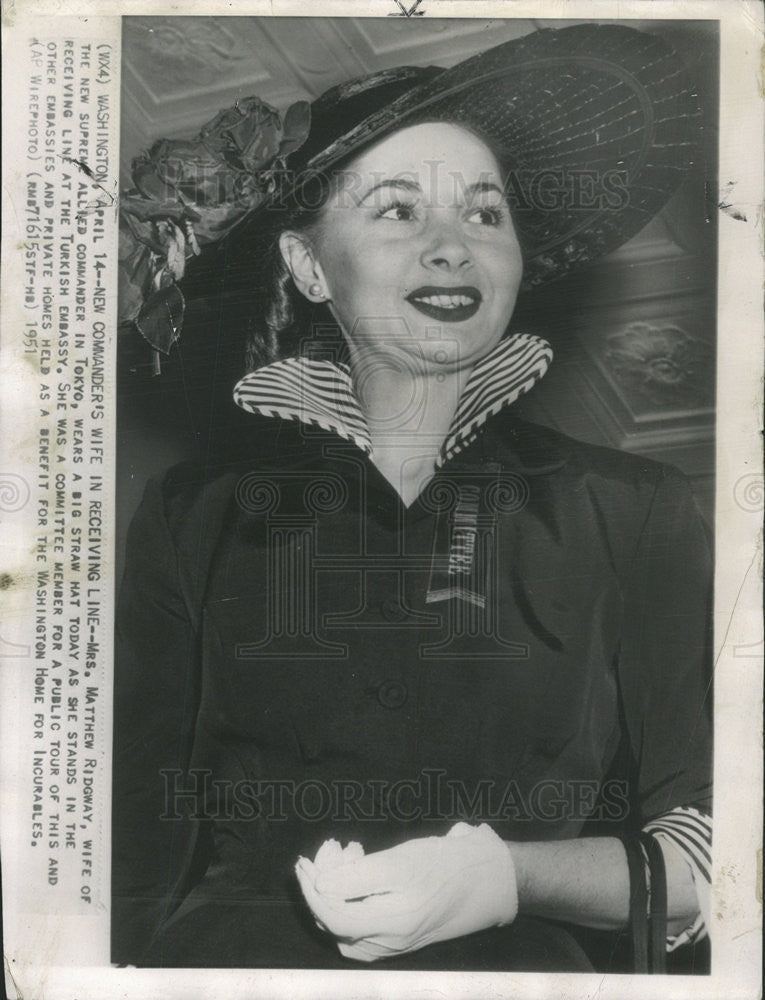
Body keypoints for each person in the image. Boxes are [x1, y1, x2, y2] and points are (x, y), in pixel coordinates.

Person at [112, 23, 713, 972]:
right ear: (309, 267)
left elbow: (713, 852)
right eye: (397, 211)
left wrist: (508, 876)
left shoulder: (637, 508)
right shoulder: (194, 514)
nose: (450, 249)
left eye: (485, 215)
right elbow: (129, 848)